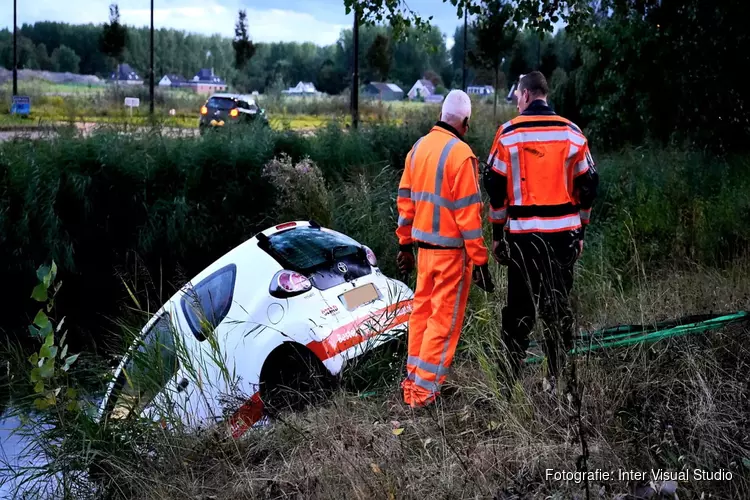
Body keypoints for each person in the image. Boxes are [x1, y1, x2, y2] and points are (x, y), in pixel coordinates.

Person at [483, 71, 599, 387]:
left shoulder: (508, 134)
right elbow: (589, 185)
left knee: (520, 311)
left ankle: (507, 385)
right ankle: (556, 381)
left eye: (517, 97)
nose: (517, 104)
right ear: (544, 95)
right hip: (563, 238)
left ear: (526, 95)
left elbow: (494, 185)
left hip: (523, 239)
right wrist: (581, 232)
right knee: (556, 308)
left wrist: (497, 235)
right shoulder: (573, 133)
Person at [395, 89, 495, 408]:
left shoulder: (417, 149)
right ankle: (424, 394)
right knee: (443, 320)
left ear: (440, 114)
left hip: (424, 253)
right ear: (464, 121)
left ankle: (414, 382)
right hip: (452, 255)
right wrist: (481, 261)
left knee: (421, 313)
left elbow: (405, 205)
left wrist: (404, 245)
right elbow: (469, 216)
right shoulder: (461, 155)